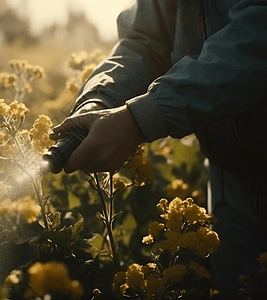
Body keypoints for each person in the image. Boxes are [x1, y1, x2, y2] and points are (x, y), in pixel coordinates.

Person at [50, 0, 267, 298]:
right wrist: (100, 100)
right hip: (230, 185)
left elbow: (256, 36)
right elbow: (145, 42)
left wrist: (140, 118)